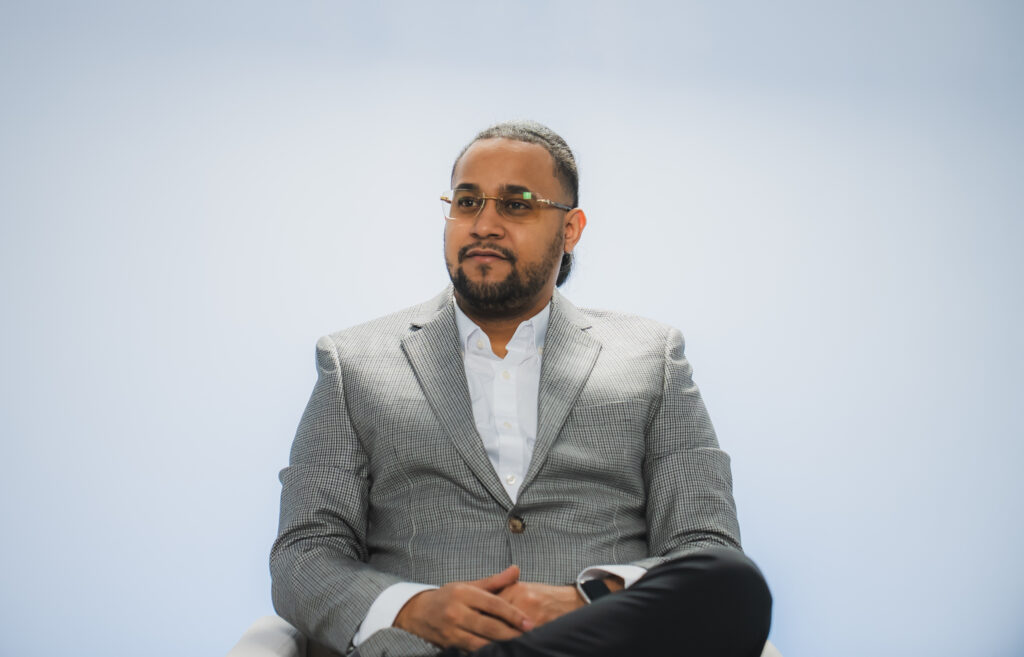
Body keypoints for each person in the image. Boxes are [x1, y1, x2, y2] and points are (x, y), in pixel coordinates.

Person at [270, 120, 772, 657]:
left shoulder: (652, 358)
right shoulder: (354, 363)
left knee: (729, 578)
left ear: (570, 229)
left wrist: (584, 600)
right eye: (467, 202)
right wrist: (414, 607)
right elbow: (304, 554)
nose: (484, 224)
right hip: (423, 650)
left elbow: (702, 543)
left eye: (516, 205)